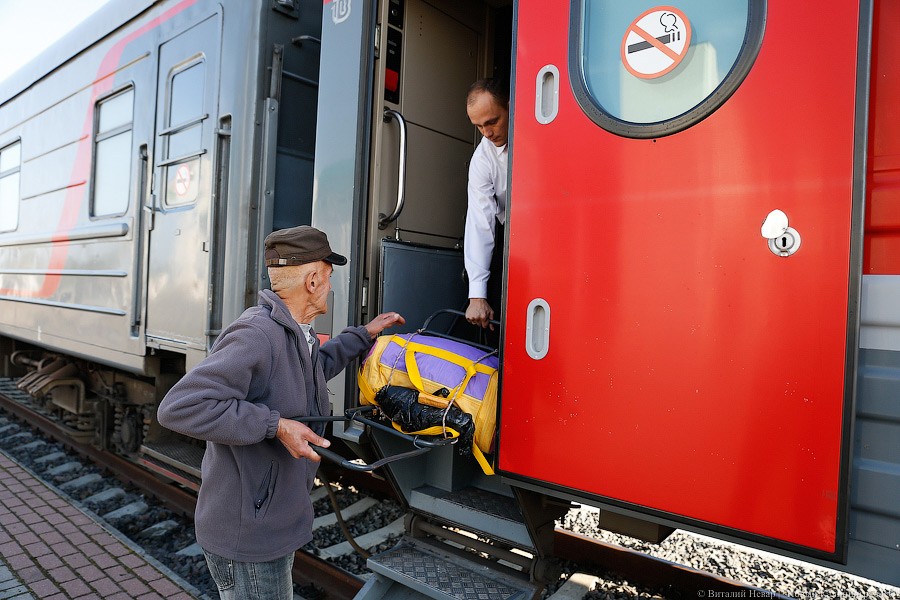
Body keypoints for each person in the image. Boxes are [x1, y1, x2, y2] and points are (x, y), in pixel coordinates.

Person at [157, 225, 404, 600]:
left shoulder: (292, 333)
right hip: (249, 538)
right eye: (329, 276)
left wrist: (363, 335)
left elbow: (310, 370)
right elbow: (180, 407)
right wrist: (275, 426)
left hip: (267, 524)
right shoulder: (257, 334)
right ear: (313, 280)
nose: (331, 286)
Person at [464, 78, 509, 334]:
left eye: (492, 121)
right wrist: (477, 296)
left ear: (511, 107)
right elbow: (481, 221)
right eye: (479, 126)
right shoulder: (482, 158)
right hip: (511, 234)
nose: (487, 133)